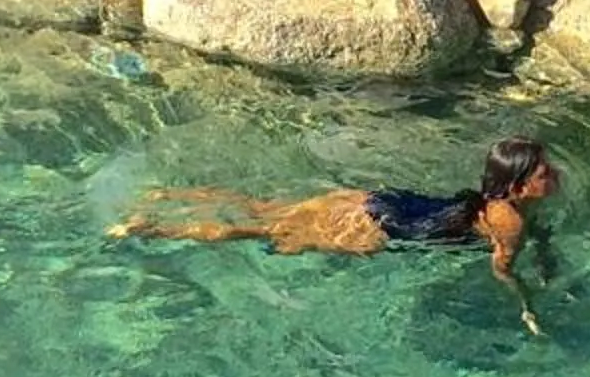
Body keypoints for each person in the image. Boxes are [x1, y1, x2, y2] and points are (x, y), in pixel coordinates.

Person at [111, 138, 563, 335]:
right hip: (377, 228)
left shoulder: (495, 203)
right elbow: (501, 267)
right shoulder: (510, 221)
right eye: (545, 173)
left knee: (263, 208)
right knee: (255, 231)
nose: (555, 175)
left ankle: (165, 193)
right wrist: (526, 305)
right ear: (519, 186)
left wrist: (542, 252)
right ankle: (151, 227)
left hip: (381, 200)